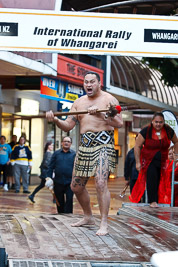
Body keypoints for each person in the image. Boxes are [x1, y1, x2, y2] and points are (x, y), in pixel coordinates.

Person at [46, 71, 123, 235]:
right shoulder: (78, 103)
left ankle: (104, 223)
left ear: (99, 83)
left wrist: (102, 114)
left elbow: (119, 122)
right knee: (75, 187)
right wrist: (55, 120)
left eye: (92, 81)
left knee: (101, 183)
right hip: (85, 145)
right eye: (86, 82)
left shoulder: (109, 100)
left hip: (103, 144)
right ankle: (88, 216)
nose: (88, 84)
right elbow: (68, 126)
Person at [129, 112, 178, 208]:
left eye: (160, 122)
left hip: (164, 161)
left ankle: (162, 201)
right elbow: (137, 146)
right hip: (148, 161)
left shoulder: (168, 130)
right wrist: (138, 162)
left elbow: (176, 142)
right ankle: (153, 201)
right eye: (156, 122)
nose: (158, 124)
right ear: (152, 121)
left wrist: (176, 154)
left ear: (164, 122)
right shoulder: (146, 131)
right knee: (152, 178)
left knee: (164, 181)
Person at [45, 136, 76, 213]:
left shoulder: (74, 154)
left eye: (68, 141)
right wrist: (48, 177)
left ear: (71, 144)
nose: (66, 143)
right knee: (59, 200)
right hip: (58, 181)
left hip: (70, 182)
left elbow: (77, 168)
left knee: (69, 200)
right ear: (62, 143)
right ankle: (61, 216)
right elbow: (50, 166)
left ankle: (68, 217)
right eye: (65, 141)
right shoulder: (56, 154)